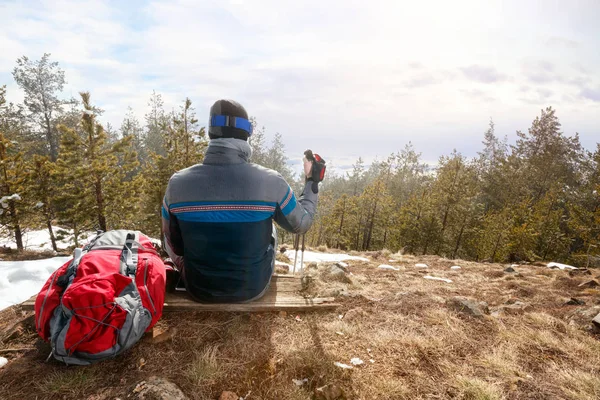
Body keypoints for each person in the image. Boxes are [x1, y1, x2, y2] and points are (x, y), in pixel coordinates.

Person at [161, 99, 324, 303]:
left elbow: (174, 245)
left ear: (210, 132)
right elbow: (302, 224)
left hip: (199, 288)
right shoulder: (270, 181)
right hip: (252, 289)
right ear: (247, 133)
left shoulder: (177, 183)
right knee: (271, 229)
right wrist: (312, 182)